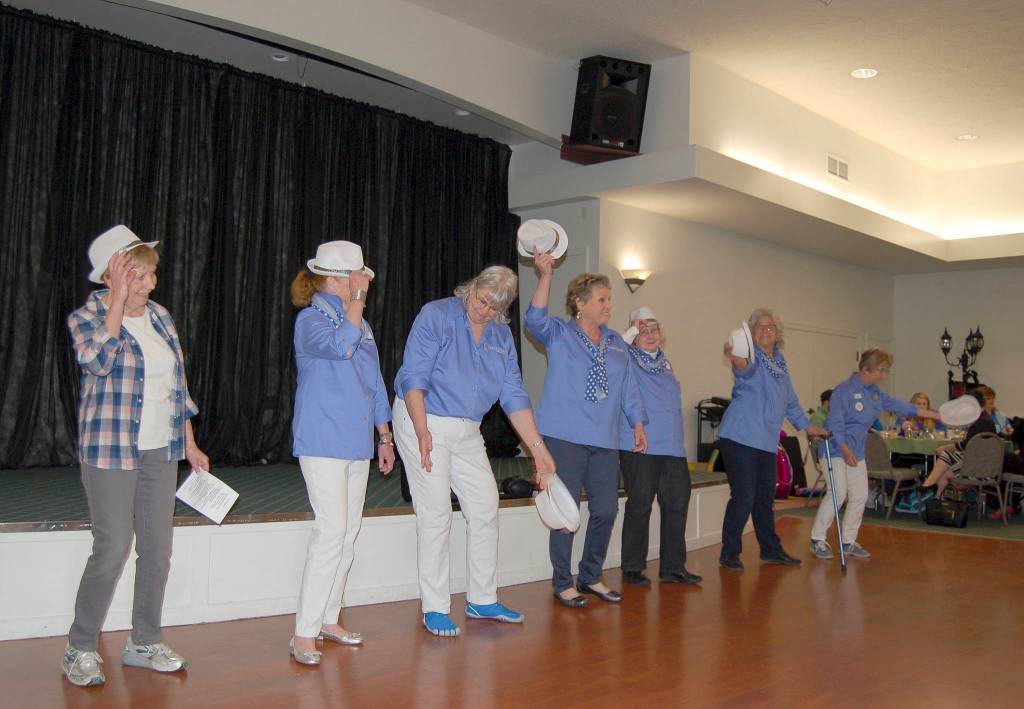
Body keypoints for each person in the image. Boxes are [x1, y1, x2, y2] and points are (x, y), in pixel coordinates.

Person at [63, 225, 209, 687]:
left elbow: (177, 384)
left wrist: (188, 440)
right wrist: (115, 307)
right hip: (110, 450)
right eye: (138, 275)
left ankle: (144, 641)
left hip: (159, 450)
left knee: (158, 550)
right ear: (112, 275)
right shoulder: (85, 317)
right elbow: (99, 362)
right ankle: (79, 648)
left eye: (150, 275)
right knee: (111, 549)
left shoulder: (161, 317)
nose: (149, 284)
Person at [393, 265, 556, 637]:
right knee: (436, 513)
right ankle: (434, 606)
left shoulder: (501, 335)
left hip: (466, 427)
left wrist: (538, 450)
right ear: (473, 288)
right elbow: (413, 375)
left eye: (493, 308)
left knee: (485, 504)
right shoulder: (437, 315)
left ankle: (482, 599)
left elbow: (514, 394)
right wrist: (421, 431)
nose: (482, 311)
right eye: (481, 301)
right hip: (422, 415)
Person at [288, 241, 396, 666]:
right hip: (321, 440)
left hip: (356, 442)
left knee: (348, 534)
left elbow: (373, 378)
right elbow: (341, 346)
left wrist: (384, 436)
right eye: (358, 276)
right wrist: (358, 302)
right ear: (336, 278)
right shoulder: (310, 321)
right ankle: (303, 632)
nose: (365, 282)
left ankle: (329, 618)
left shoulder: (360, 323)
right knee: (331, 532)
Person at [525, 251, 647, 608]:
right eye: (602, 299)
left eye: (610, 299)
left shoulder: (616, 345)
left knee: (606, 509)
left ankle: (591, 575)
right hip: (563, 436)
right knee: (566, 512)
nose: (609, 306)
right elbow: (534, 320)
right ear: (580, 303)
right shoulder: (560, 333)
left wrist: (637, 423)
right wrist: (545, 275)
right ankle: (563, 581)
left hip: (604, 440)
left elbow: (627, 388)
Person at [718, 309, 828, 572]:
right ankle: (729, 553)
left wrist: (808, 427)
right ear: (752, 335)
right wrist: (735, 357)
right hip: (740, 437)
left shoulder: (780, 363)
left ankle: (770, 550)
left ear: (778, 334)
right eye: (760, 327)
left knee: (765, 498)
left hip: (765, 442)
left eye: (771, 327)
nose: (766, 330)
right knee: (744, 496)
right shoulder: (751, 357)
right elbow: (743, 368)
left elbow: (790, 401)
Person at [809, 350, 940, 561]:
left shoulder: (875, 393)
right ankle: (817, 539)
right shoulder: (843, 391)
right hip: (834, 449)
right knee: (838, 493)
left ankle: (848, 540)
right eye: (882, 370)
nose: (884, 375)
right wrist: (844, 448)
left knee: (860, 495)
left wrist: (938, 414)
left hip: (856, 452)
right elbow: (835, 424)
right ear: (868, 369)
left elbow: (904, 406)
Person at [618, 308, 701, 587]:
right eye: (642, 330)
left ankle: (674, 567)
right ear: (633, 335)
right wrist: (630, 332)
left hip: (672, 447)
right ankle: (632, 568)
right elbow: (613, 350)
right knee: (640, 504)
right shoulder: (625, 358)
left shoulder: (666, 363)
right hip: (640, 445)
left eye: (654, 329)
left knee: (677, 504)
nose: (649, 335)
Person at [920, 388, 998, 500]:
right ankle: (937, 499)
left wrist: (945, 447)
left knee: (946, 455)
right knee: (944, 471)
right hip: (982, 465)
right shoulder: (983, 418)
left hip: (981, 470)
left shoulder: (981, 422)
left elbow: (966, 445)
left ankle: (928, 485)